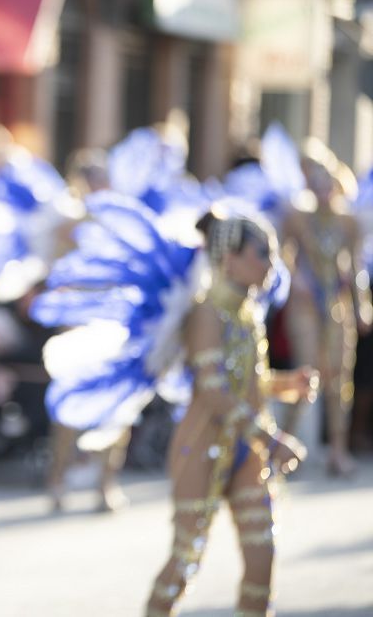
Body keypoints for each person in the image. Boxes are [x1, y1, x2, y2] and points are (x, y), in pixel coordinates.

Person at [145, 209, 316, 617]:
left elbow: (247, 380)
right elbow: (214, 390)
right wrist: (270, 438)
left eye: (273, 253)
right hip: (202, 449)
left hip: (246, 455)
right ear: (230, 258)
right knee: (184, 562)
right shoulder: (206, 314)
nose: (271, 263)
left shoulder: (249, 313)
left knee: (262, 559)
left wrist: (284, 384)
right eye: (261, 252)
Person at [281, 140, 371, 476]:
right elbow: (284, 257)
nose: (321, 190)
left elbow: (356, 266)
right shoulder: (296, 217)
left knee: (338, 379)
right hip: (305, 306)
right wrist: (296, 279)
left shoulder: (349, 222)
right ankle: (286, 444)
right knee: (305, 374)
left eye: (326, 184)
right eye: (315, 184)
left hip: (337, 306)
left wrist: (362, 306)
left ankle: (337, 449)